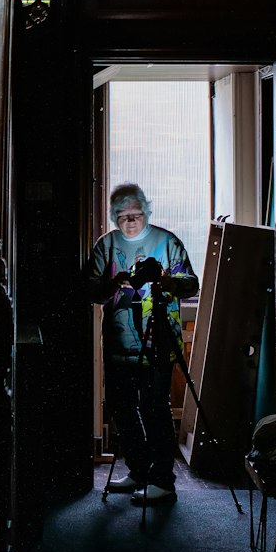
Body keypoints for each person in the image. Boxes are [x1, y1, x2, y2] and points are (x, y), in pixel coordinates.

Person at [86, 182, 199, 504]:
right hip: (119, 344)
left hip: (158, 343)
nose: (130, 222)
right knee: (122, 409)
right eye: (122, 216)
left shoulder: (168, 242)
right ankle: (137, 471)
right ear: (113, 217)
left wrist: (164, 281)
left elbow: (191, 285)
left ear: (147, 212)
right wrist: (115, 282)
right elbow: (91, 290)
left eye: (136, 214)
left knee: (155, 410)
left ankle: (162, 479)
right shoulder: (105, 246)